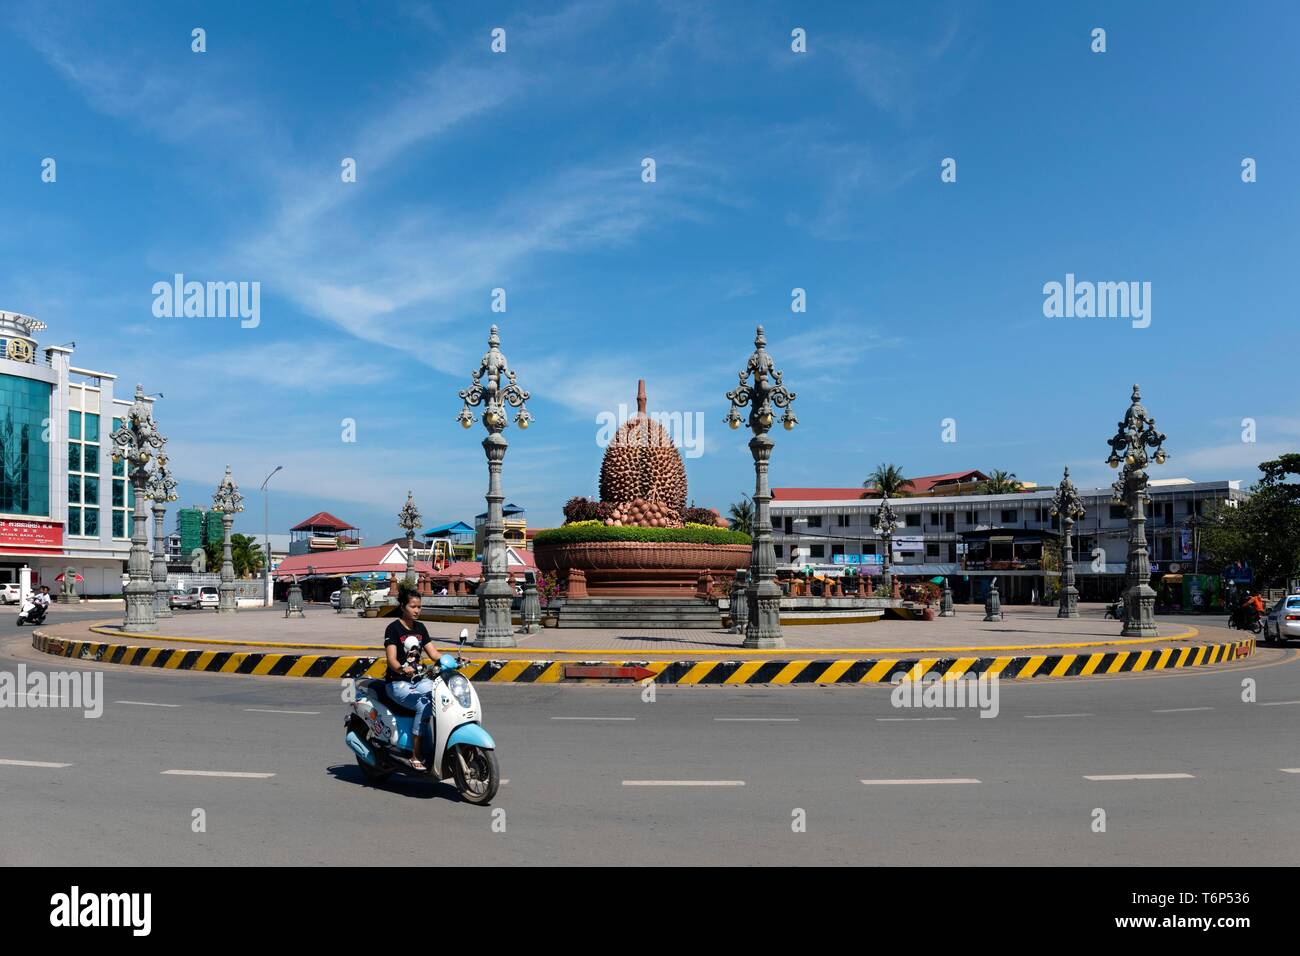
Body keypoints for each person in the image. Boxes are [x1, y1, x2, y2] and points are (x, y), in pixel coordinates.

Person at [383, 586, 439, 772]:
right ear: (403, 606)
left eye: (419, 607)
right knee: (424, 704)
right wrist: (401, 668)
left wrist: (454, 661)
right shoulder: (393, 628)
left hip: (419, 679)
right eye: (413, 606)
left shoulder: (420, 628)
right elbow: (391, 659)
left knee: (439, 696)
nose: (417, 610)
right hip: (398, 682)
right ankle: (415, 754)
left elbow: (433, 654)